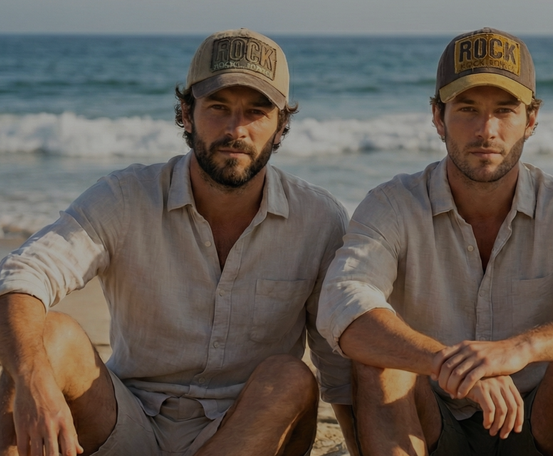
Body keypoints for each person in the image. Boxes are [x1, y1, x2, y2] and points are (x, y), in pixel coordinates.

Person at [0, 28, 351, 456]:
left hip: (239, 432)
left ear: (281, 126)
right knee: (49, 338)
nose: (236, 129)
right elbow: (22, 276)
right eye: (218, 108)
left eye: (256, 112)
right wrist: (36, 383)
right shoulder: (126, 197)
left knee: (291, 378)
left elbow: (338, 369)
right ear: (186, 113)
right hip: (124, 421)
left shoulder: (318, 219)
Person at [317, 27, 553, 455]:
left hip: (534, 422)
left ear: (531, 119)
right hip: (432, 422)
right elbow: (342, 301)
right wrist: (451, 364)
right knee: (381, 366)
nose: (486, 130)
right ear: (438, 116)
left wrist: (519, 350)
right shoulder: (392, 204)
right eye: (467, 109)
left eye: (505, 111)